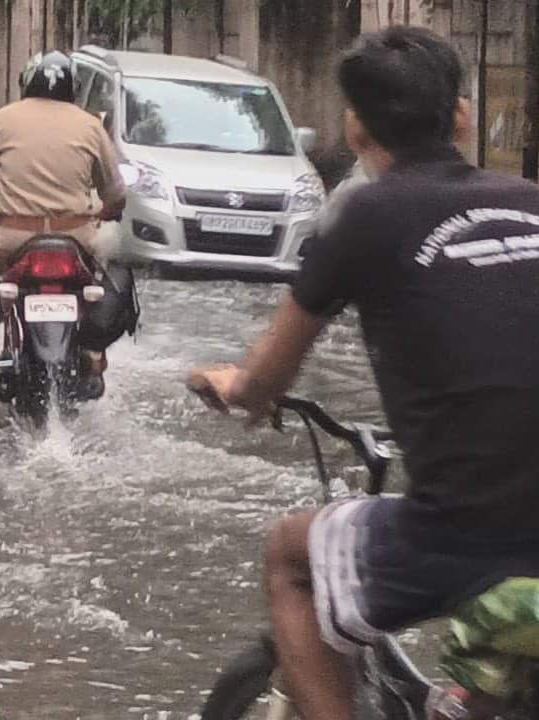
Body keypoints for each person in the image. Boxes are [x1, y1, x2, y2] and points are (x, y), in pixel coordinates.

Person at [186, 26, 539, 720]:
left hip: (467, 532)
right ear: (462, 117)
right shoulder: (530, 199)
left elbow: (270, 374)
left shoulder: (363, 214)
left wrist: (238, 388)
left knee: (292, 557)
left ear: (354, 127)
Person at [0, 50, 125, 399]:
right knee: (110, 271)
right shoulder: (90, 124)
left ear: (27, 83)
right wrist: (104, 213)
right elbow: (116, 195)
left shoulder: (1, 120)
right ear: (73, 88)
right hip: (77, 236)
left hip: (13, 236)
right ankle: (94, 351)